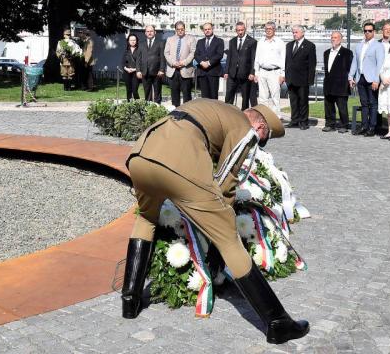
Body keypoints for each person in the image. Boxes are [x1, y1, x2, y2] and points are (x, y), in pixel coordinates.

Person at [120, 100, 309, 344]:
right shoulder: (244, 127)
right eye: (265, 136)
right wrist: (223, 214)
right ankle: (278, 322)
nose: (260, 142)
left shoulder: (217, 109)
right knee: (229, 240)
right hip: (177, 165)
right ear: (260, 125)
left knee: (146, 218)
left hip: (141, 154)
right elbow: (227, 178)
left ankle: (130, 301)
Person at [350, 22, 385, 137]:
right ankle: (364, 125)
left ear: (373, 32)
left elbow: (380, 64)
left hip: (372, 79)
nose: (367, 33)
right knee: (364, 103)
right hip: (361, 78)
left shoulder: (378, 46)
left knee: (373, 103)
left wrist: (376, 80)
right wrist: (351, 76)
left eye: (369, 31)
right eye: (365, 31)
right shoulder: (359, 45)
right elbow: (355, 62)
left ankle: (372, 127)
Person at [283, 25, 316, 130]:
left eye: (296, 32)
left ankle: (303, 121)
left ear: (302, 33)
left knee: (303, 101)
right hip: (291, 78)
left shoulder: (309, 46)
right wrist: (285, 76)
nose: (294, 34)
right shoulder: (289, 45)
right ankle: (295, 120)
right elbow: (287, 62)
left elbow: (312, 64)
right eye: (293, 32)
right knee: (293, 101)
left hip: (303, 79)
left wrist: (310, 80)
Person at [322, 31, 353, 132]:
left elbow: (350, 69)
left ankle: (344, 125)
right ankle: (330, 124)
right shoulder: (326, 53)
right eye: (332, 37)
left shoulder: (347, 53)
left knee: (342, 107)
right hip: (329, 84)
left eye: (335, 37)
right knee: (328, 106)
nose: (333, 39)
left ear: (341, 39)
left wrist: (351, 80)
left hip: (341, 85)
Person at [254, 22, 286, 118]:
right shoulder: (260, 42)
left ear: (274, 30)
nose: (268, 30)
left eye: (270, 29)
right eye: (266, 29)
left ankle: (276, 117)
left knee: (275, 96)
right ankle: (264, 116)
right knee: (263, 97)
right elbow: (257, 58)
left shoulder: (280, 42)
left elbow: (283, 59)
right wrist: (256, 72)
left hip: (274, 72)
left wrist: (282, 74)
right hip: (262, 71)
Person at [224, 21, 258, 108]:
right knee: (229, 96)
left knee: (245, 97)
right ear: (236, 30)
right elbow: (229, 57)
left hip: (245, 74)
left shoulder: (252, 42)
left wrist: (252, 72)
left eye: (242, 30)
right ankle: (228, 114)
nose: (240, 32)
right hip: (232, 74)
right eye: (238, 30)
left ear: (245, 29)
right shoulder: (232, 41)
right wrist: (226, 71)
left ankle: (244, 114)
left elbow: (254, 59)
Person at [164, 21, 197, 106]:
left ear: (184, 29)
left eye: (182, 29)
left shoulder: (191, 39)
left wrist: (184, 62)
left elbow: (193, 53)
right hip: (173, 70)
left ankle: (186, 113)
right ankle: (176, 112)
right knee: (174, 94)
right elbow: (166, 53)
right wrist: (173, 63)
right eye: (178, 29)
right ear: (175, 30)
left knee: (187, 94)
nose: (180, 31)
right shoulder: (170, 39)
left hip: (185, 70)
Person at [194, 22, 224, 99]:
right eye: (205, 29)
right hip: (202, 72)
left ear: (212, 29)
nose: (207, 31)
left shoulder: (219, 41)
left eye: (209, 29)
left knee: (213, 97)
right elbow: (196, 54)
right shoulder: (200, 42)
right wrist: (201, 62)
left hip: (213, 72)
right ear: (203, 31)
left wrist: (209, 63)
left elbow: (219, 55)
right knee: (204, 97)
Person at [136, 25, 165, 102]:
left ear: (155, 32)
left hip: (157, 73)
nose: (149, 33)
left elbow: (162, 57)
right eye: (148, 31)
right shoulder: (141, 44)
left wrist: (162, 69)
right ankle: (148, 109)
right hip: (145, 72)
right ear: (145, 33)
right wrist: (138, 70)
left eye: (151, 31)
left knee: (157, 93)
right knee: (147, 93)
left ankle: (158, 109)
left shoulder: (160, 43)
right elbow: (138, 59)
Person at [122, 33, 141, 101]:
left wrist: (134, 69)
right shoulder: (126, 50)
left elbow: (141, 62)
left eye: (134, 40)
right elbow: (123, 62)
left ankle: (138, 104)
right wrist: (126, 68)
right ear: (128, 41)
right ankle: (129, 105)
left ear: (136, 41)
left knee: (135, 90)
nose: (133, 41)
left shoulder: (139, 50)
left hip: (136, 72)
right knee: (128, 90)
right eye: (131, 40)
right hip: (127, 73)